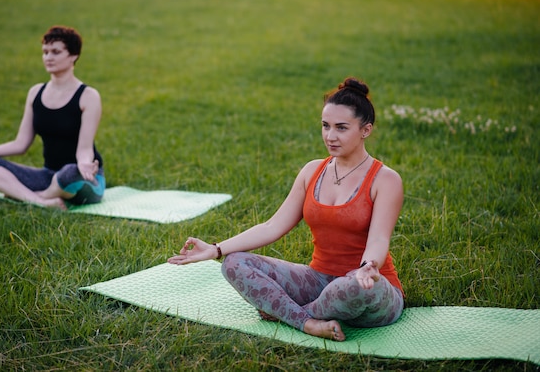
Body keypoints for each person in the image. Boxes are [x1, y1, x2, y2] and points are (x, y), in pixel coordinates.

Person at [168, 77, 404, 341]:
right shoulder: (312, 171)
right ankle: (308, 323)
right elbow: (272, 226)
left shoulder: (385, 179)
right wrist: (216, 249)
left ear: (366, 130)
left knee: (351, 288)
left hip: (367, 287)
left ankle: (290, 313)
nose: (330, 136)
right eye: (325, 126)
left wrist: (368, 266)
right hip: (317, 280)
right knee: (234, 263)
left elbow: (379, 238)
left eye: (341, 128)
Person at [0, 26, 105, 210]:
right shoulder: (35, 93)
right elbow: (20, 144)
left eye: (56, 52)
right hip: (48, 176)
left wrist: (84, 165)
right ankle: (42, 201)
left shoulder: (88, 96)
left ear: (73, 55)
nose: (48, 57)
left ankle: (26, 196)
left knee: (68, 174)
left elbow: (84, 149)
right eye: (45, 52)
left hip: (83, 178)